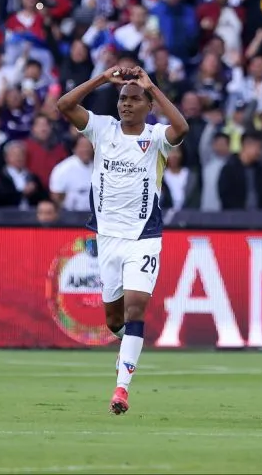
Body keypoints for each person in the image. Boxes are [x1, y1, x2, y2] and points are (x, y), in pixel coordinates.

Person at [56, 66, 189, 415]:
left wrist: (152, 86)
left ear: (148, 105)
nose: (126, 104)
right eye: (123, 99)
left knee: (135, 309)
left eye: (134, 99)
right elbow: (64, 105)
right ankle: (126, 343)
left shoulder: (156, 138)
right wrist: (101, 79)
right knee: (115, 320)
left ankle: (121, 388)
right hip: (108, 238)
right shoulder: (103, 129)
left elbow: (182, 128)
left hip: (143, 237)